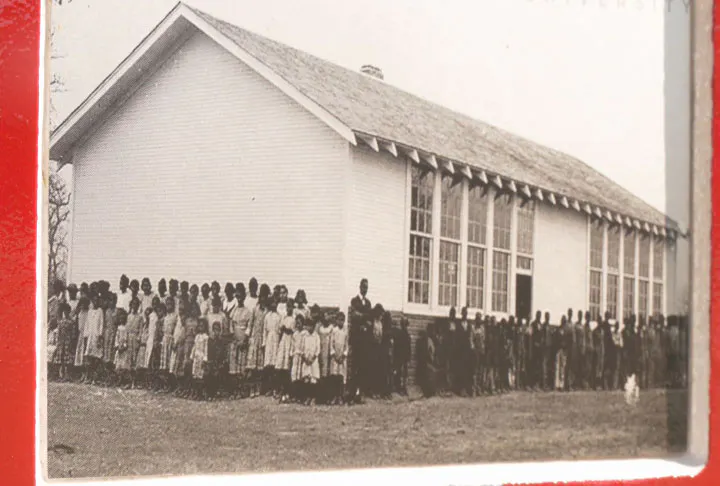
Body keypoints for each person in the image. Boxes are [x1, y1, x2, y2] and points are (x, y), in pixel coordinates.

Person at [348, 279, 372, 402]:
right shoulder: (354, 301)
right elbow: (354, 315)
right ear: (359, 287)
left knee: (363, 366)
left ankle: (359, 393)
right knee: (355, 366)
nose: (365, 289)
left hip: (364, 340)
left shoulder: (368, 303)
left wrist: (364, 322)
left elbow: (370, 319)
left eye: (367, 287)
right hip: (357, 339)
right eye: (363, 287)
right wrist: (363, 318)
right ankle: (352, 392)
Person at [246, 284, 270, 398]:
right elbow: (250, 325)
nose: (263, 299)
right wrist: (248, 337)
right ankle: (252, 389)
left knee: (260, 367)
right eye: (262, 296)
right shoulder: (255, 309)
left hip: (262, 340)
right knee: (252, 368)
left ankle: (259, 388)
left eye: (265, 297)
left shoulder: (267, 311)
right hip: (254, 339)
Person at [229, 283, 252, 396]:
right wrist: (233, 336)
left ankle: (243, 390)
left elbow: (249, 327)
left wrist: (244, 340)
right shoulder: (234, 311)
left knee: (242, 365)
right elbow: (231, 324)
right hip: (235, 339)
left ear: (244, 296)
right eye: (237, 296)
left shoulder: (247, 311)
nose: (239, 298)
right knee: (234, 365)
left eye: (241, 296)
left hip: (242, 340)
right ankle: (235, 390)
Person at [275, 298, 295, 403]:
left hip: (290, 342)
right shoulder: (284, 317)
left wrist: (287, 329)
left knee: (288, 367)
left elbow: (293, 331)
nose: (289, 309)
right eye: (287, 307)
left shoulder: (294, 318)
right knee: (281, 367)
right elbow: (280, 328)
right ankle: (282, 391)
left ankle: (288, 392)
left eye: (290, 306)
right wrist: (282, 328)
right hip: (283, 341)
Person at [262, 297, 282, 397]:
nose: (274, 305)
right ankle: (269, 388)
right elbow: (264, 330)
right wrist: (264, 343)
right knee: (268, 366)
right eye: (272, 303)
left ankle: (275, 389)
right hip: (269, 340)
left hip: (276, 341)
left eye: (275, 302)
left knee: (275, 366)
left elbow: (280, 330)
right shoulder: (267, 316)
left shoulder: (279, 316)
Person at [84, 292, 105, 385]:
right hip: (90, 336)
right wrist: (86, 335)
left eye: (97, 300)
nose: (95, 302)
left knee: (96, 358)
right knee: (89, 358)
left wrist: (100, 336)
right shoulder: (90, 311)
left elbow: (101, 324)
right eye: (94, 300)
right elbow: (87, 324)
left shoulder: (100, 311)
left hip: (96, 336)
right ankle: (89, 377)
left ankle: (95, 378)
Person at [329, 312, 349, 404]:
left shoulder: (345, 331)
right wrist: (334, 355)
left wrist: (344, 355)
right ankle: (334, 396)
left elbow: (347, 345)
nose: (340, 322)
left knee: (341, 377)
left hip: (342, 358)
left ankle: (340, 397)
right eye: (339, 320)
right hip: (335, 358)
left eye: (342, 320)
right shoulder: (334, 330)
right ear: (336, 320)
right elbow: (331, 344)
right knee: (334, 377)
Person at [301, 317, 321, 405]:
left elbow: (318, 349)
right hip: (306, 360)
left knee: (313, 379)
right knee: (306, 379)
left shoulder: (316, 336)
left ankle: (313, 397)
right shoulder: (304, 336)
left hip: (313, 361)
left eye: (311, 326)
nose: (310, 328)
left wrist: (313, 358)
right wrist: (305, 358)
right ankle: (307, 397)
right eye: (308, 326)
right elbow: (301, 348)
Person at [316, 308, 334, 404]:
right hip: (322, 349)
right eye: (324, 316)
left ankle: (328, 396)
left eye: (327, 316)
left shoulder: (331, 328)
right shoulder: (320, 327)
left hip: (329, 350)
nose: (325, 318)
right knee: (321, 371)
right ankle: (321, 396)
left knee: (328, 371)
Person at [54, 303, 75, 381]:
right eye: (64, 311)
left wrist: (71, 342)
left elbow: (73, 333)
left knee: (67, 358)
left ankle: (67, 375)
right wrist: (58, 342)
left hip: (67, 341)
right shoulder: (61, 322)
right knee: (61, 358)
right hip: (61, 342)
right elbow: (59, 333)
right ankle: (61, 375)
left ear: (69, 311)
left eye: (67, 311)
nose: (65, 312)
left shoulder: (71, 322)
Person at [190, 318, 210, 400]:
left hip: (201, 357)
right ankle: (197, 392)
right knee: (195, 376)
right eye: (199, 326)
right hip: (196, 357)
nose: (200, 328)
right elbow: (194, 347)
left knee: (201, 376)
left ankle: (201, 394)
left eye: (202, 326)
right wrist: (192, 356)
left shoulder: (206, 337)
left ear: (205, 327)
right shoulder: (197, 336)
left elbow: (206, 349)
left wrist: (205, 359)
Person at [101, 293, 119, 384]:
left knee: (112, 355)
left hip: (114, 334)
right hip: (107, 334)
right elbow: (104, 324)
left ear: (116, 301)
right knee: (106, 354)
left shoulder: (117, 311)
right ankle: (107, 377)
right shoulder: (106, 311)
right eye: (110, 300)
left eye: (113, 300)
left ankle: (113, 378)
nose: (111, 302)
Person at [125, 297, 143, 388]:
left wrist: (139, 339)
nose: (134, 306)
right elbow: (126, 329)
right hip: (129, 338)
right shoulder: (128, 316)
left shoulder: (140, 317)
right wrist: (125, 339)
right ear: (131, 305)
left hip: (135, 338)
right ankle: (129, 381)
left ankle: (135, 382)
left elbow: (140, 329)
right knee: (129, 359)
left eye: (136, 304)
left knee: (135, 359)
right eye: (133, 304)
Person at [290, 315, 307, 403]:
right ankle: (295, 395)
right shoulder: (295, 334)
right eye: (297, 323)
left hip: (302, 356)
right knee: (294, 375)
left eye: (300, 323)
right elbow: (292, 345)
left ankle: (301, 396)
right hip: (295, 355)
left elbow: (305, 345)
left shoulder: (305, 333)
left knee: (301, 375)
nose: (298, 325)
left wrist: (304, 354)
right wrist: (291, 354)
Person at [113, 309, 131, 388]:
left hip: (124, 349)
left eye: (123, 319)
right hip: (119, 348)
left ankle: (127, 382)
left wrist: (124, 346)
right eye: (120, 319)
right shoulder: (118, 328)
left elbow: (126, 338)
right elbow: (117, 337)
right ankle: (119, 380)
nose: (122, 320)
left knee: (124, 366)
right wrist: (117, 345)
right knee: (118, 365)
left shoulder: (127, 328)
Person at [394, 317, 411, 396]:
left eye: (406, 324)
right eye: (404, 324)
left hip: (404, 356)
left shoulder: (407, 334)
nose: (405, 326)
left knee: (405, 373)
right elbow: (396, 346)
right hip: (399, 356)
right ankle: (399, 387)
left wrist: (408, 357)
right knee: (399, 372)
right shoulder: (399, 334)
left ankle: (404, 387)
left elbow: (409, 347)